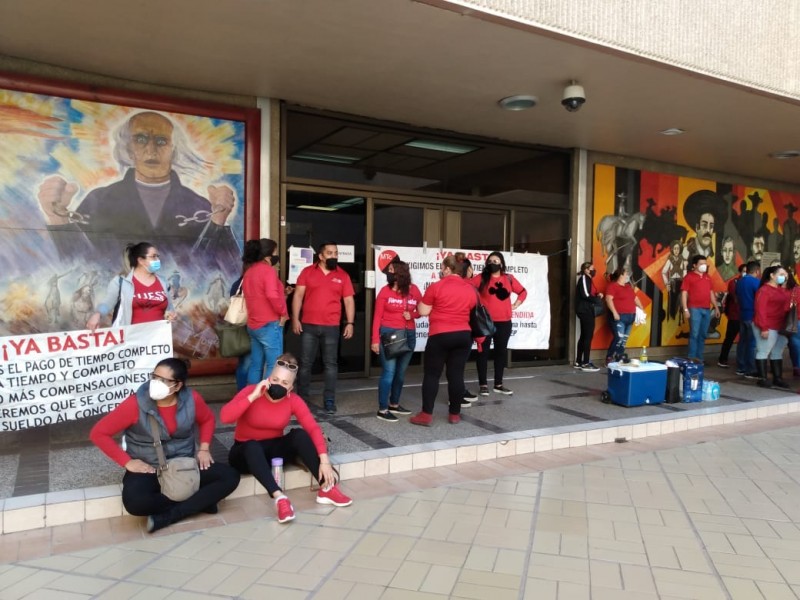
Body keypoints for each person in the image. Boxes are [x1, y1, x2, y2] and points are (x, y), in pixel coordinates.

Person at [38, 111, 240, 270]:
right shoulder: (98, 201)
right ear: (128, 148)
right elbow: (75, 266)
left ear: (174, 150)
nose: (151, 150)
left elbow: (224, 268)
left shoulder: (198, 206)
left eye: (161, 141)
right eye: (141, 139)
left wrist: (219, 221)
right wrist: (58, 219)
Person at [89, 358, 241, 533]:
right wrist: (128, 462)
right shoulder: (134, 404)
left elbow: (207, 419)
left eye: (164, 380)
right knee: (135, 503)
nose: (156, 383)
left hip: (183, 465)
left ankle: (171, 516)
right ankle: (199, 503)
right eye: (155, 377)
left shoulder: (192, 399)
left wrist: (204, 448)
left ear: (178, 386)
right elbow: (98, 433)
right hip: (149, 467)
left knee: (229, 476)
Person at [220, 353, 352, 524]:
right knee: (252, 446)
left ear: (290, 387)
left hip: (273, 452)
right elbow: (225, 417)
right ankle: (280, 498)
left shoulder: (293, 400)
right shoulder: (251, 391)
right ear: (268, 378)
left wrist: (324, 460)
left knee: (299, 434)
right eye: (275, 379)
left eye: (284, 383)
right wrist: (253, 396)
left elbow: (312, 427)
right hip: (244, 452)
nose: (278, 385)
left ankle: (326, 488)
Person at [410, 254, 477, 426]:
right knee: (456, 374)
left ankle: (426, 415)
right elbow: (471, 310)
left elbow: (423, 311)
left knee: (432, 374)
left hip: (440, 335)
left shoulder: (436, 287)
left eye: (442, 268)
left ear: (448, 269)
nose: (440, 271)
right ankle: (454, 414)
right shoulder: (470, 289)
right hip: (463, 335)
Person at [291, 242, 355, 414]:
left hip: (332, 327)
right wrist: (295, 319)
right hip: (309, 326)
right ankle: (302, 399)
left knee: (330, 365)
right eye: (329, 253)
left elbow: (349, 300)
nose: (333, 256)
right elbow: (298, 296)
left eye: (336, 253)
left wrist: (350, 322)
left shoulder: (343, 275)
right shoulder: (307, 272)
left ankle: (329, 400)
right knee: (305, 364)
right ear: (320, 256)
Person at [370, 260, 421, 422]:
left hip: (409, 334)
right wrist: (375, 340)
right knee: (389, 373)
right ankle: (382, 409)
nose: (388, 273)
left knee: (400, 373)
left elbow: (422, 309)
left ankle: (394, 403)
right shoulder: (385, 292)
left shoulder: (415, 290)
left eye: (391, 270)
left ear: (401, 273)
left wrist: (412, 315)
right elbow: (377, 317)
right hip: (389, 335)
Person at [86, 242, 176, 330]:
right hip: (131, 339)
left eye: (158, 256)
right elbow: (108, 302)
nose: (157, 260)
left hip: (158, 338)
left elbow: (169, 309)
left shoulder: (163, 282)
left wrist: (171, 315)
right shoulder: (121, 282)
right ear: (140, 260)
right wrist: (97, 314)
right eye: (153, 256)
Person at [472, 251, 528, 391]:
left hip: (504, 322)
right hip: (485, 322)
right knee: (482, 353)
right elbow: (467, 289)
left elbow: (523, 292)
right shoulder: (481, 278)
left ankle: (498, 384)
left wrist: (516, 304)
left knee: (500, 353)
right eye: (490, 261)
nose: (493, 263)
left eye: (496, 261)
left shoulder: (509, 278)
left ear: (501, 264)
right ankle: (483, 385)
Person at [242, 238, 289, 384]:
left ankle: (252, 398)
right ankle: (267, 400)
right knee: (273, 365)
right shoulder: (268, 271)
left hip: (253, 324)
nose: (276, 256)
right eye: (275, 252)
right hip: (269, 324)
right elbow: (272, 295)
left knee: (255, 365)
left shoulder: (249, 271)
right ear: (268, 254)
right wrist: (283, 312)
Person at [753, 266, 793, 389]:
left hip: (780, 326)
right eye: (781, 274)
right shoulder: (764, 290)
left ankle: (777, 378)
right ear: (772, 275)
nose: (784, 277)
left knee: (777, 352)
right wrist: (764, 328)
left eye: (785, 274)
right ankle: (763, 378)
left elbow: (786, 307)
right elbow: (760, 310)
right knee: (763, 351)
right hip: (767, 325)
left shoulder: (782, 290)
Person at [680, 255, 721, 362]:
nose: (704, 266)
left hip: (706, 309)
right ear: (694, 265)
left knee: (703, 334)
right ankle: (692, 357)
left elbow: (711, 292)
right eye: (701, 264)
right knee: (694, 333)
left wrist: (716, 307)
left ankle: (699, 358)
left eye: (705, 263)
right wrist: (685, 309)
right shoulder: (689, 277)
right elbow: (684, 293)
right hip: (694, 309)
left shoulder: (708, 277)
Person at [605, 269, 644, 363]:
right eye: (626, 274)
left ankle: (619, 357)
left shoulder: (628, 287)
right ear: (620, 276)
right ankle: (609, 358)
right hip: (620, 317)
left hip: (630, 317)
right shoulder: (613, 286)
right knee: (619, 338)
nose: (628, 277)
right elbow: (608, 299)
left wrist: (641, 308)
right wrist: (614, 312)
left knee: (624, 340)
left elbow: (635, 298)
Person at [575, 261, 602, 372]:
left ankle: (579, 361)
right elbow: (585, 294)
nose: (593, 270)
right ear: (586, 269)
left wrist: (597, 294)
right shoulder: (584, 279)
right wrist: (597, 299)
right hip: (585, 310)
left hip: (586, 310)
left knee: (584, 335)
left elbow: (589, 293)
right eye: (592, 268)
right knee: (588, 336)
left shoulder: (588, 280)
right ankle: (585, 362)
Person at [735, 260, 761, 378]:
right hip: (752, 315)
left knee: (742, 342)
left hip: (742, 314)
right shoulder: (756, 282)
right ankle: (750, 369)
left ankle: (741, 367)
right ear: (757, 271)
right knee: (751, 343)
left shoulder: (739, 282)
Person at [718, 263, 745, 368]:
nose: (745, 273)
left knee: (743, 340)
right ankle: (722, 359)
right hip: (735, 315)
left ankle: (741, 361)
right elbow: (736, 297)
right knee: (729, 338)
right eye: (744, 271)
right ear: (740, 272)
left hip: (745, 316)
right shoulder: (734, 282)